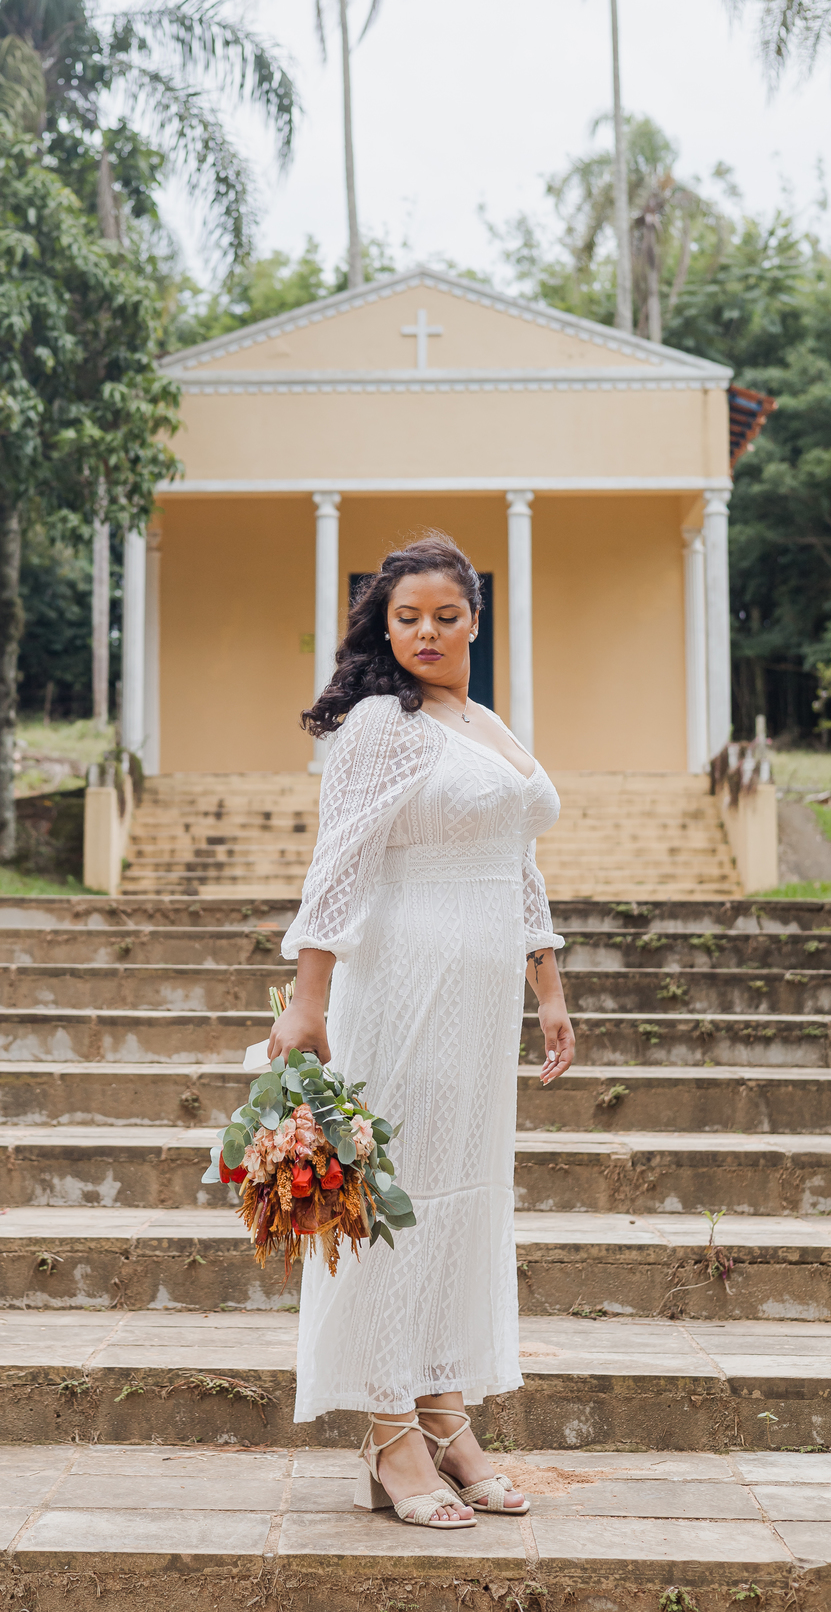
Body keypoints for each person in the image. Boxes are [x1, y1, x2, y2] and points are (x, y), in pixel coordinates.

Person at [268, 534, 574, 1530]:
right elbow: (339, 863)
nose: (428, 633)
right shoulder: (377, 726)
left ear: (475, 619)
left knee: (459, 1199)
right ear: (382, 625)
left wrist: (548, 980)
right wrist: (305, 1002)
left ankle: (445, 1410)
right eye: (407, 618)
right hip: (401, 978)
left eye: (446, 616)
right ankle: (390, 1426)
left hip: (483, 996)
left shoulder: (481, 720)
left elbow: (516, 853)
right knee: (395, 1201)